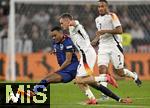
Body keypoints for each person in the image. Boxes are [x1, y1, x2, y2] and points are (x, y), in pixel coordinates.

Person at [59, 14, 132, 104]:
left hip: (87, 55)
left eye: (62, 23)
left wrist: (72, 22)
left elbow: (76, 23)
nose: (61, 25)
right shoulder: (71, 30)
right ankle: (93, 99)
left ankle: (105, 78)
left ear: (67, 21)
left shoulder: (73, 25)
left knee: (79, 80)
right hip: (86, 54)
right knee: (84, 81)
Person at [91, 0, 142, 99]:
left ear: (107, 7)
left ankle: (133, 75)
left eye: (102, 6)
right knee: (102, 69)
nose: (100, 8)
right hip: (103, 46)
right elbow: (100, 34)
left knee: (120, 72)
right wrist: (95, 40)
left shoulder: (112, 16)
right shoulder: (97, 19)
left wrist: (104, 31)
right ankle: (105, 93)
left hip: (114, 46)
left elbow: (119, 30)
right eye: (99, 6)